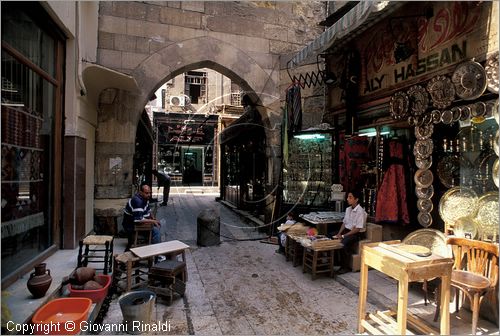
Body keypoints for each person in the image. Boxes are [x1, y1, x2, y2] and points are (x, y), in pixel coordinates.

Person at [332, 190, 367, 274]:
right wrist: (339, 233)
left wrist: (343, 236)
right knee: (330, 235)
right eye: (347, 197)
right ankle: (336, 262)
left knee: (343, 244)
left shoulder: (360, 212)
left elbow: (357, 229)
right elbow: (344, 223)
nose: (347, 199)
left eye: (350, 197)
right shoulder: (348, 209)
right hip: (347, 230)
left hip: (356, 234)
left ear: (356, 199)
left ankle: (345, 267)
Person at [122, 184, 161, 248]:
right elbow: (138, 220)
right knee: (156, 231)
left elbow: (148, 210)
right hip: (131, 225)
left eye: (150, 193)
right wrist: (152, 221)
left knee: (158, 224)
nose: (149, 195)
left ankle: (152, 242)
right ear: (140, 192)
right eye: (146, 193)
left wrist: (153, 218)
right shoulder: (137, 201)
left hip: (139, 220)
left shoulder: (145, 198)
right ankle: (157, 254)